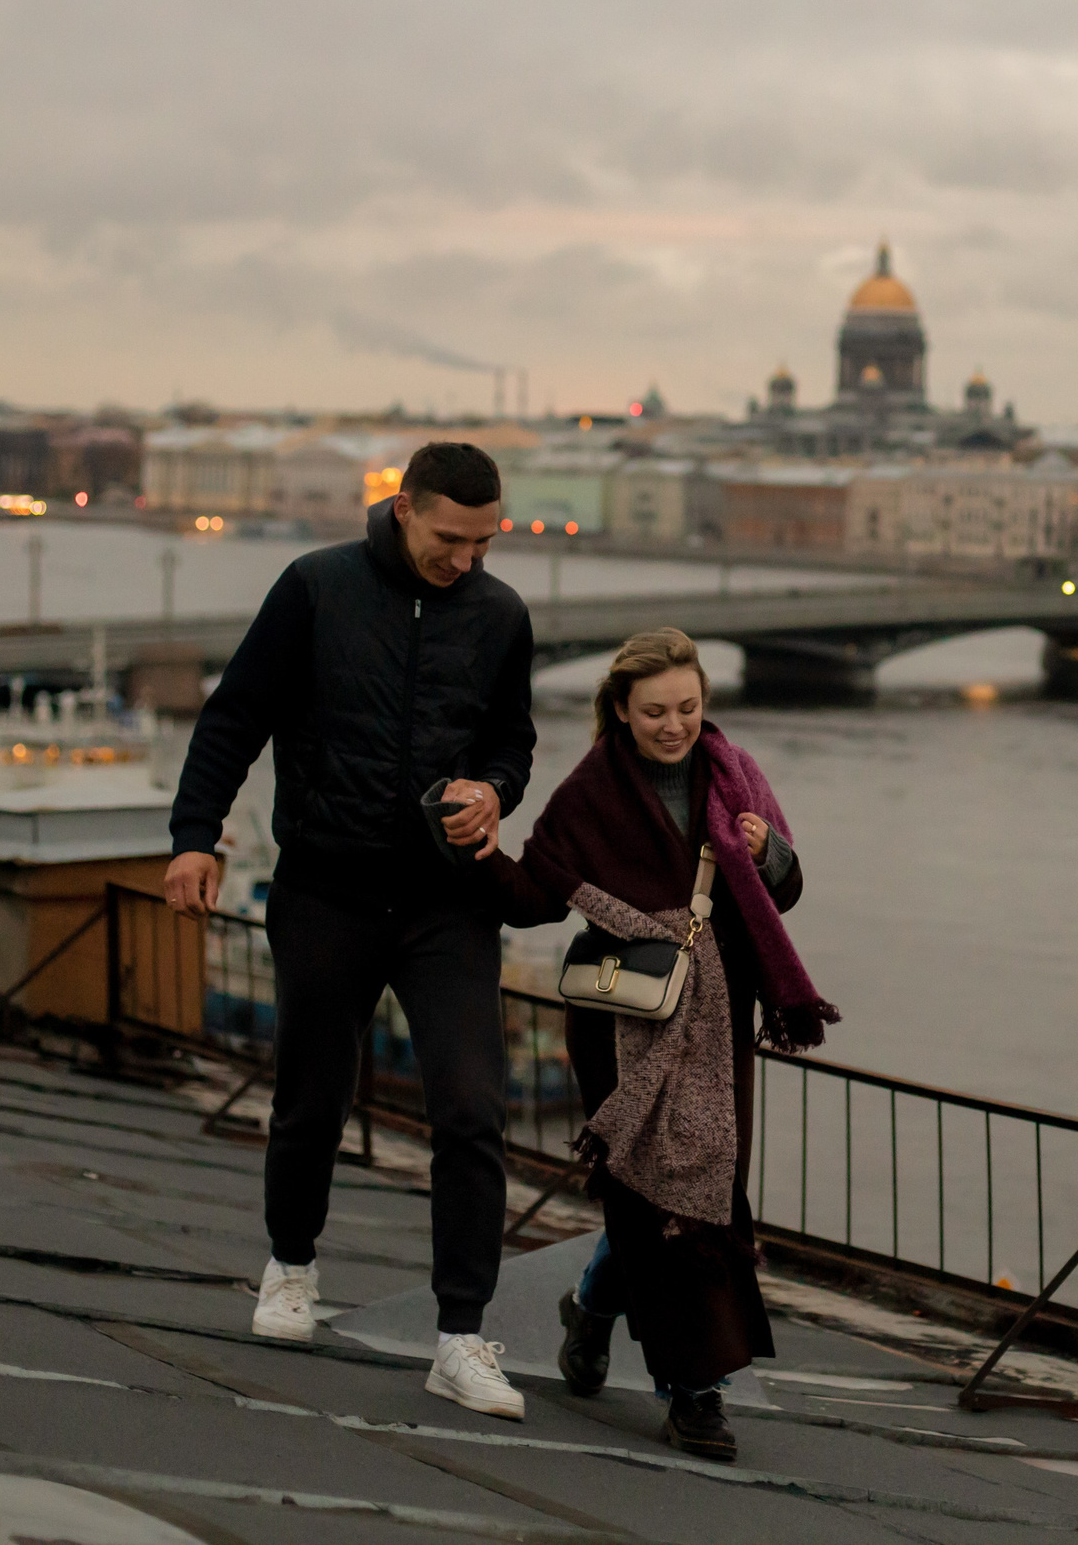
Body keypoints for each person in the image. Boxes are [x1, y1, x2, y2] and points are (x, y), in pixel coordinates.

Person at [163, 442, 536, 1421]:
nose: (468, 560)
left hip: (445, 902)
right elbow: (234, 717)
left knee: (471, 1107)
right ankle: (291, 1266)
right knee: (311, 1096)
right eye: (451, 539)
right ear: (403, 509)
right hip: (325, 887)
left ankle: (461, 1337)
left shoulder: (500, 614)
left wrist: (492, 793)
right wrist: (195, 838)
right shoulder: (316, 588)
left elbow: (512, 741)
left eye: (486, 542)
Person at [484, 628, 837, 1463]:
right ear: (620, 711)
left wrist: (767, 851)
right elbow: (538, 892)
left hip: (716, 1018)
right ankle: (695, 1396)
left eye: (688, 706)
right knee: (652, 1202)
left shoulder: (735, 773)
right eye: (655, 711)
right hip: (622, 1022)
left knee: (704, 1187)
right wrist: (468, 853)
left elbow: (783, 888)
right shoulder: (588, 792)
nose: (675, 724)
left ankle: (594, 1305)